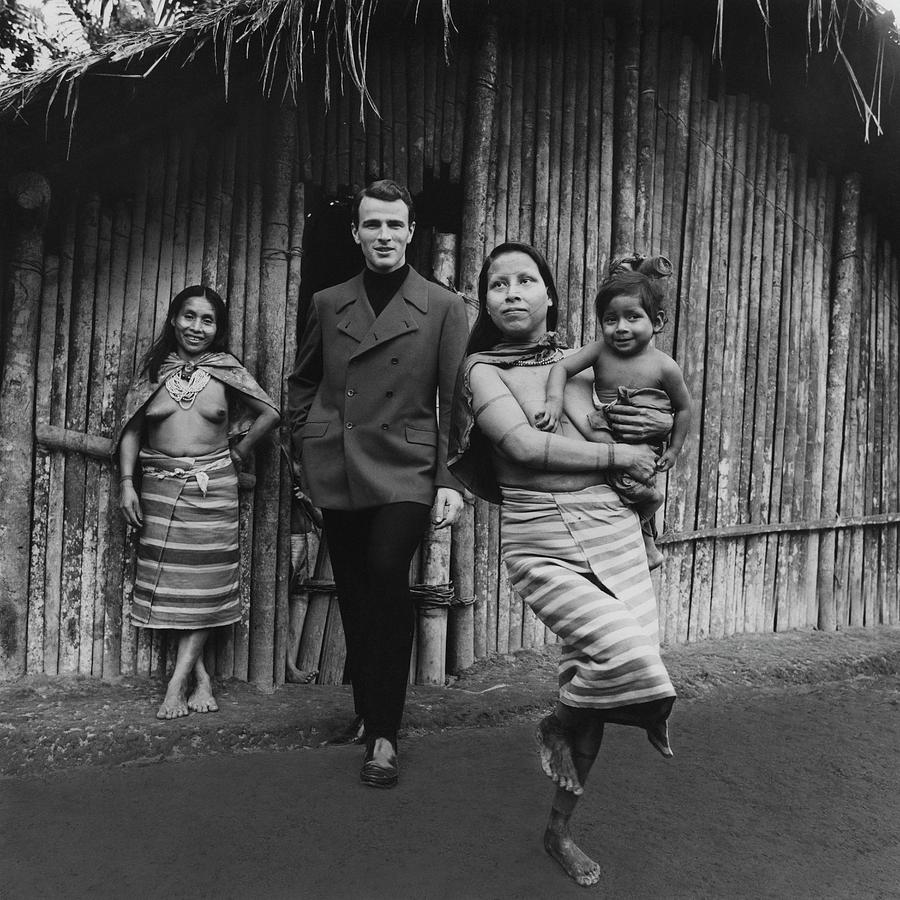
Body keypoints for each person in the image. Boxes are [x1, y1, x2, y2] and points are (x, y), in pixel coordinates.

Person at [448, 242, 676, 887]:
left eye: (526, 280)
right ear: (486, 302)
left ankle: (559, 828)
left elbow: (624, 444)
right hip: (541, 540)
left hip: (614, 530)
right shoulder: (481, 371)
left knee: (607, 684)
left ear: (550, 295)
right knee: (628, 659)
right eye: (498, 284)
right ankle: (565, 716)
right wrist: (614, 460)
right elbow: (521, 445)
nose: (512, 292)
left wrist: (646, 478)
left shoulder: (584, 367)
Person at [287, 179, 469, 789]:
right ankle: (367, 709)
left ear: (411, 230)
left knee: (387, 576)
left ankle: (386, 732)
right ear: (357, 232)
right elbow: (303, 380)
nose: (384, 236)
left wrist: (449, 479)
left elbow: (456, 401)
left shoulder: (444, 307)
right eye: (373, 225)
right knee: (357, 592)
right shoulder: (327, 302)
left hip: (408, 468)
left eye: (395, 224)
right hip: (339, 463)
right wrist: (308, 439)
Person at [117, 286, 280, 720]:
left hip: (212, 490)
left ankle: (176, 684)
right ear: (173, 319)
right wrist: (127, 484)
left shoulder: (227, 371)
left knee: (205, 587)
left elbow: (270, 413)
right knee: (174, 586)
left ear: (218, 329)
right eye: (188, 316)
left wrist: (239, 453)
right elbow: (132, 429)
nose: (196, 327)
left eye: (207, 320)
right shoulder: (155, 371)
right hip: (156, 487)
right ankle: (201, 676)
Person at [535, 258, 692, 568]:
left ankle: (647, 543)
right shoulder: (599, 352)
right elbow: (562, 367)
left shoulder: (664, 366)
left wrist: (674, 449)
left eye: (633, 317)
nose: (621, 328)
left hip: (646, 443)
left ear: (657, 322)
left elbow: (684, 408)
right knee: (626, 492)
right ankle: (647, 545)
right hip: (607, 437)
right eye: (611, 319)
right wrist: (553, 401)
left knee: (640, 489)